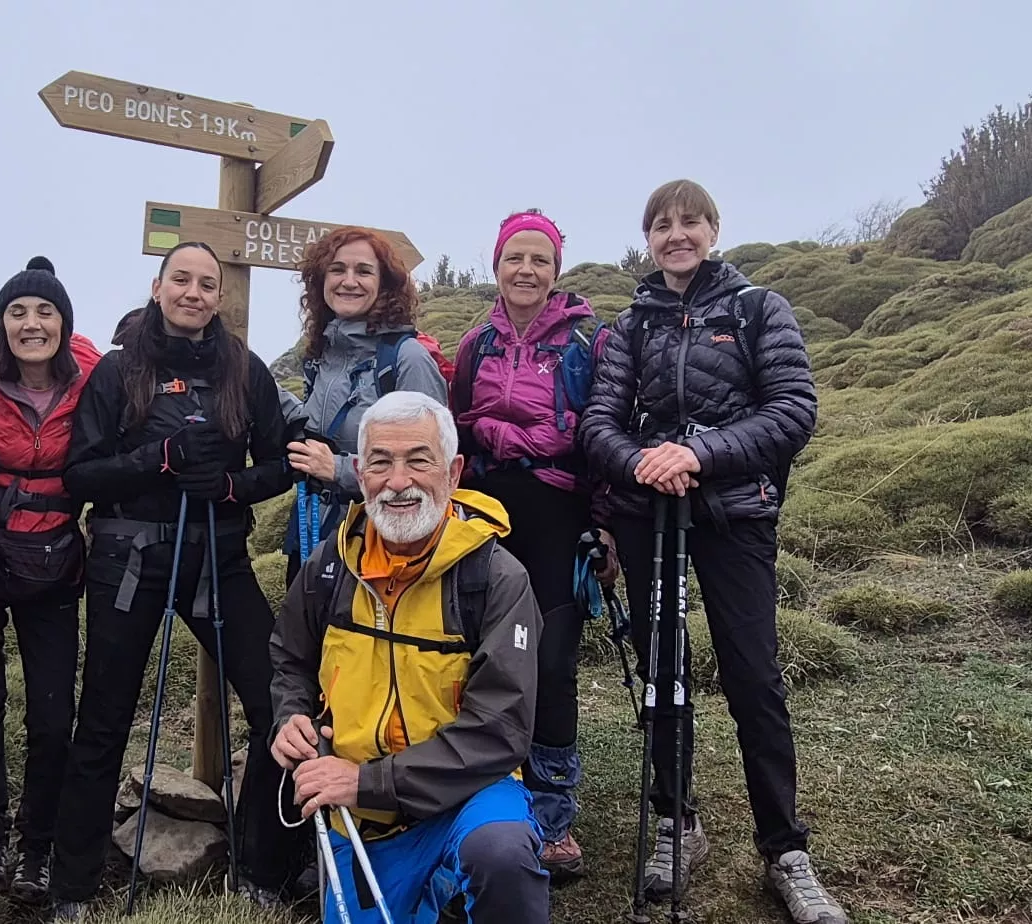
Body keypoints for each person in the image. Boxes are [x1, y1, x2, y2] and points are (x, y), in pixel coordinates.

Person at [577, 180, 846, 924]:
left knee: (755, 677)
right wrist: (640, 463)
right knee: (665, 675)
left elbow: (793, 410)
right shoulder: (630, 325)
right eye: (662, 225)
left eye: (689, 222)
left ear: (714, 230)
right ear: (649, 239)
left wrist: (697, 452)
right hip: (648, 514)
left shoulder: (760, 309)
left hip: (735, 515)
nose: (676, 235)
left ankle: (785, 849)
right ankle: (676, 820)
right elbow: (599, 422)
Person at [51, 242, 302, 918]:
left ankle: (260, 869)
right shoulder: (117, 370)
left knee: (279, 701)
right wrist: (156, 459)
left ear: (220, 297)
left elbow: (281, 466)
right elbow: (81, 475)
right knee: (103, 719)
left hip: (218, 556)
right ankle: (72, 886)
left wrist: (228, 486)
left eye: (207, 283)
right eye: (181, 279)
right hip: (127, 560)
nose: (194, 292)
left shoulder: (244, 370)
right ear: (157, 286)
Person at [270, 390, 548, 922]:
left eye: (419, 461)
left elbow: (502, 728)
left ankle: (454, 876)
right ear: (360, 471)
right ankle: (437, 892)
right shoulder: (331, 565)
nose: (398, 482)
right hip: (361, 814)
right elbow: (290, 659)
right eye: (380, 462)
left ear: (454, 471)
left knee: (501, 855)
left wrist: (367, 781)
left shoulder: (495, 577)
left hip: (468, 796)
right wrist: (291, 718)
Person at [446, 208, 606, 874]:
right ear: (497, 265)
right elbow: (453, 428)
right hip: (486, 509)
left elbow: (598, 436)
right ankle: (483, 794)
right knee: (476, 651)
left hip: (557, 511)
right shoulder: (474, 344)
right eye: (516, 257)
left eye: (540, 259)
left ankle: (554, 817)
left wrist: (605, 528)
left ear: (556, 271)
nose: (527, 269)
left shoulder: (584, 343)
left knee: (551, 662)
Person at [0, 257, 103, 903]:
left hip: (55, 565)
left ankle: (36, 846)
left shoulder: (91, 380)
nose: (31, 322)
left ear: (64, 322)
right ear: (0, 323)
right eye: (17, 311)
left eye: (44, 310)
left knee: (50, 716)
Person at [283, 226, 448, 584]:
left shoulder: (407, 359)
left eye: (363, 271)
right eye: (337, 269)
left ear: (384, 284)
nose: (349, 281)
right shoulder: (322, 354)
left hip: (381, 542)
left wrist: (339, 470)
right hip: (314, 529)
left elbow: (432, 465)